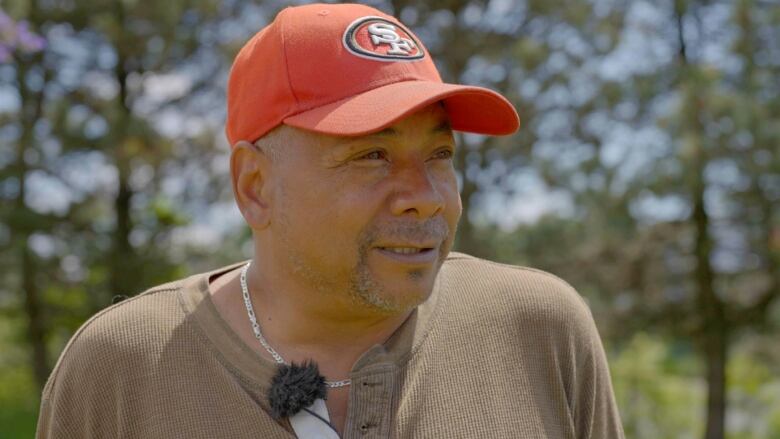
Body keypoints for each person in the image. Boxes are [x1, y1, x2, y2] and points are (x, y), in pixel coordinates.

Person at [37, 3, 625, 438]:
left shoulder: (539, 329)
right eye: (371, 155)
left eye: (441, 155)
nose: (424, 198)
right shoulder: (120, 366)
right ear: (254, 186)